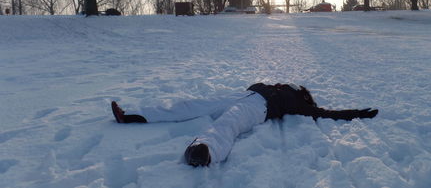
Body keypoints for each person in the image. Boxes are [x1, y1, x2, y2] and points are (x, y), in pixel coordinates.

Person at [111, 83, 378, 167]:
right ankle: (134, 116)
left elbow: (327, 113)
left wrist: (357, 113)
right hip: (242, 95)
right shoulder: (278, 86)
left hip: (255, 108)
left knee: (229, 123)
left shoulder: (300, 104)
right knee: (191, 105)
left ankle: (204, 151)